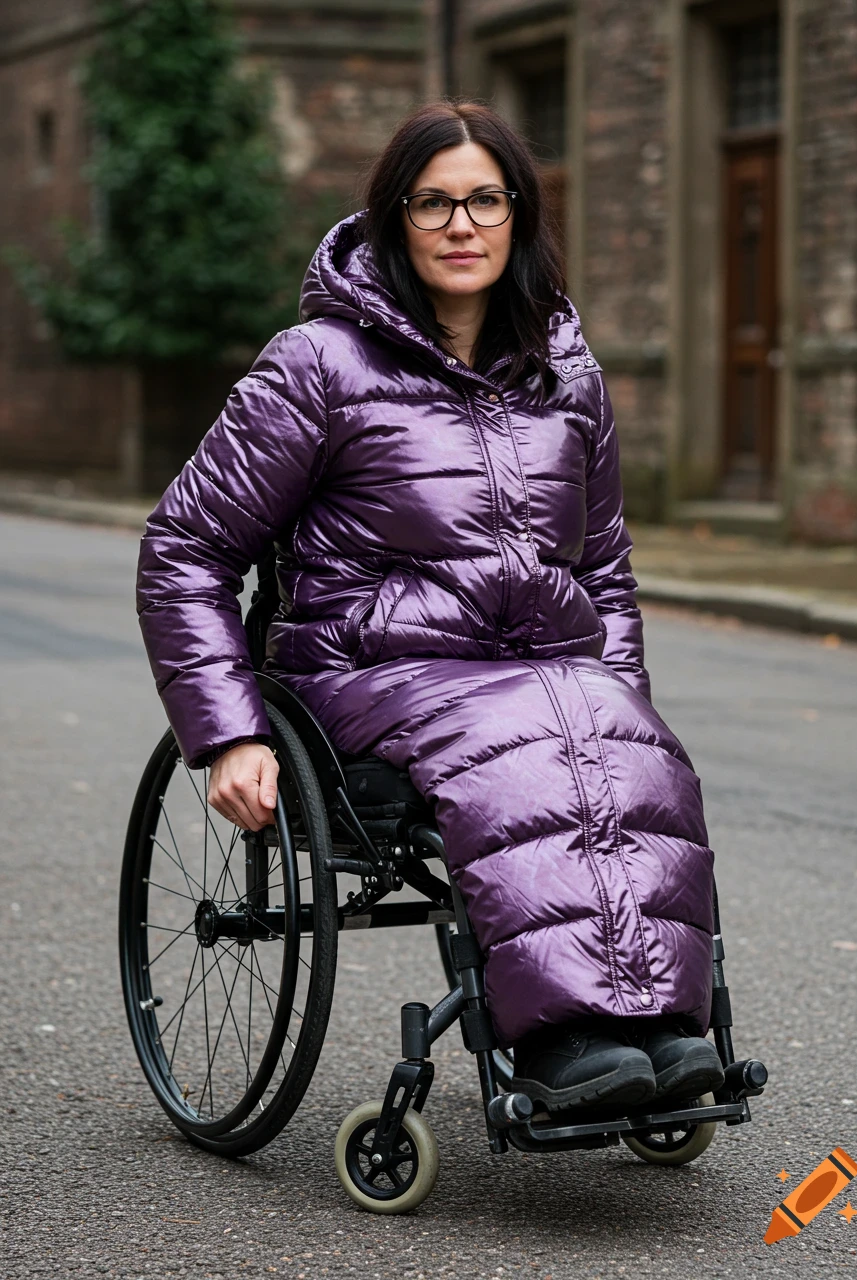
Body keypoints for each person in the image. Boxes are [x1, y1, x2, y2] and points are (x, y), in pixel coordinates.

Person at [137, 101, 724, 1114]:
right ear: (394, 220)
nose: (461, 225)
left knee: (626, 739)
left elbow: (605, 569)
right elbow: (185, 548)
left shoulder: (568, 375)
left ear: (518, 216)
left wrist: (621, 698)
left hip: (541, 672)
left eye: (485, 201)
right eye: (433, 203)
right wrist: (227, 733)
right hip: (369, 671)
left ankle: (656, 1023)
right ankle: (560, 1040)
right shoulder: (318, 364)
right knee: (522, 734)